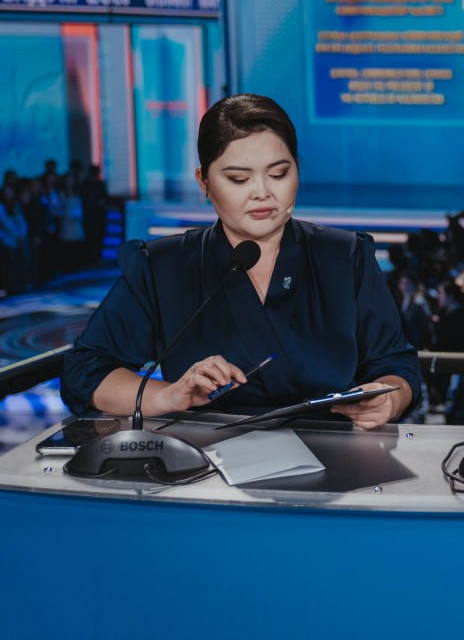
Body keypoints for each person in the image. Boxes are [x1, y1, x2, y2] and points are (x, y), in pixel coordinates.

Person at [60, 93, 421, 429]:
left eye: (278, 174)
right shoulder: (162, 267)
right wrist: (168, 396)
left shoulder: (345, 255)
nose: (262, 192)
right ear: (204, 181)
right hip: (204, 462)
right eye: (238, 178)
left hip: (337, 459)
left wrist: (389, 399)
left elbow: (397, 366)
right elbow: (84, 370)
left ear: (298, 169)